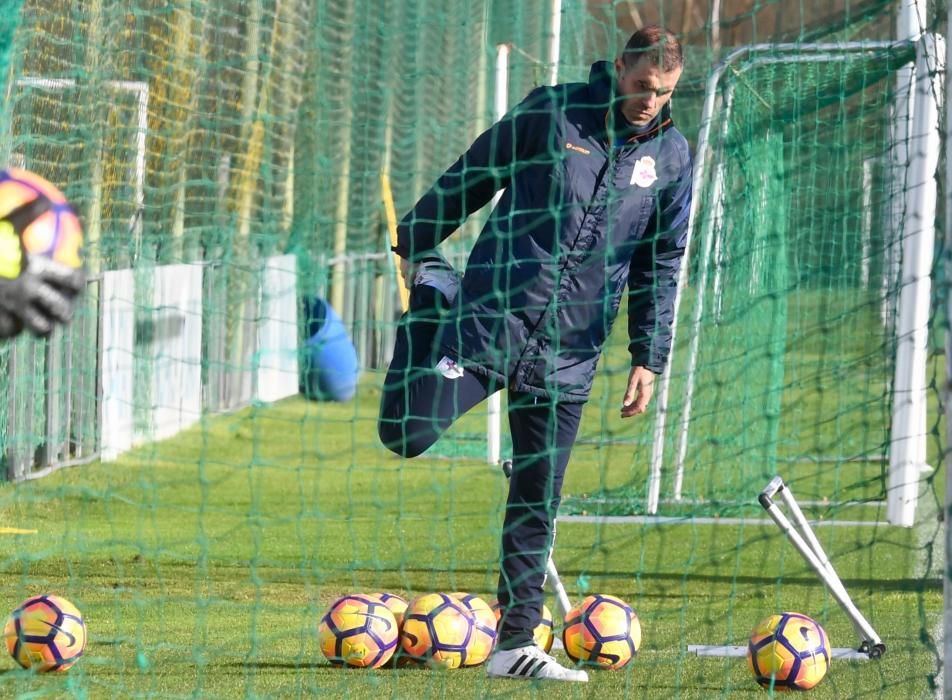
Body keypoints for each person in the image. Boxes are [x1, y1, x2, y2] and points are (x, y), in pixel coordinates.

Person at [378, 25, 691, 682]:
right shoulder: (553, 112)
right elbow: (477, 170)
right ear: (620, 69)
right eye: (641, 87)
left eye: (662, 93)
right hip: (490, 323)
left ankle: (515, 643)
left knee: (536, 499)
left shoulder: (673, 158)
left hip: (570, 355)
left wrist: (648, 355)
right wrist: (417, 240)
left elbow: (659, 262)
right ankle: (435, 300)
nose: (648, 102)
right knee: (406, 434)